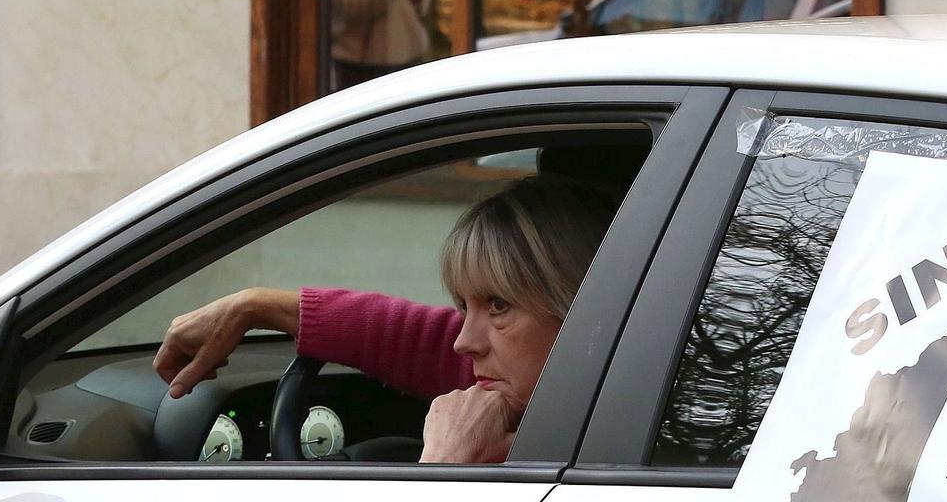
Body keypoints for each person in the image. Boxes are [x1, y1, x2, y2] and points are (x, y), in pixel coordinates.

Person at [154, 176, 610, 464]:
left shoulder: (608, 461)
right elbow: (413, 337)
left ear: (583, 315)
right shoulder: (579, 398)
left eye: (498, 306)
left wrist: (448, 465)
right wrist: (251, 307)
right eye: (462, 307)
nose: (463, 343)